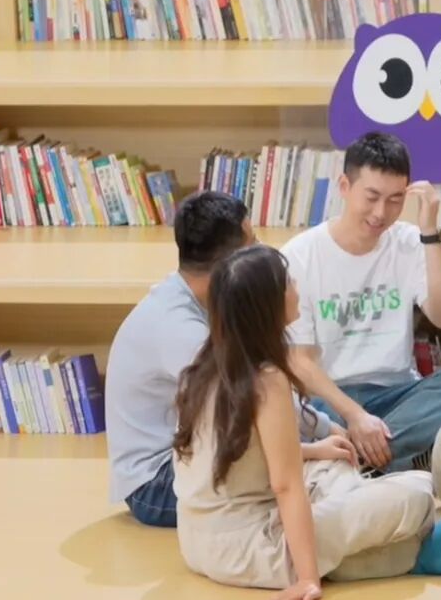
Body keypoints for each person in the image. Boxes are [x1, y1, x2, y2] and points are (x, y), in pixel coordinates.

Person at [172, 244, 436, 598]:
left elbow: (240, 455)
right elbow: (285, 486)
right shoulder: (267, 381)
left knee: (331, 462)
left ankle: (351, 538)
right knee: (418, 492)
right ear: (267, 305)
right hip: (253, 546)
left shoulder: (202, 367)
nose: (296, 287)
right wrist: (308, 580)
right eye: (288, 282)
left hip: (198, 540)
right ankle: (341, 552)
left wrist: (314, 450)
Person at [105, 191, 348, 528]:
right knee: (314, 457)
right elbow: (253, 404)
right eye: (253, 243)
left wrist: (323, 430)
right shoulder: (181, 329)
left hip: (201, 452)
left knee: (320, 414)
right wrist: (322, 437)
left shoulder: (202, 299)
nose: (262, 249)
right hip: (157, 482)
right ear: (231, 264)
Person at [283, 131, 441, 475]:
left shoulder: (408, 242)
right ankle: (389, 458)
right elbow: (299, 363)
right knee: (296, 408)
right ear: (345, 186)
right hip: (331, 397)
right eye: (372, 197)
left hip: (397, 392)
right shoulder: (299, 256)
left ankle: (356, 460)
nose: (381, 212)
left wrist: (429, 234)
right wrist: (355, 416)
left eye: (395, 199)